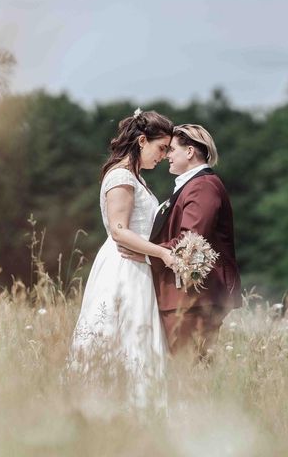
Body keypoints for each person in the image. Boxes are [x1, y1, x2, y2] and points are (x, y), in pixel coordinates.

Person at [68, 109, 176, 405]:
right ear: (142, 140)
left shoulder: (134, 177)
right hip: (123, 267)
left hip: (137, 264)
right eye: (161, 148)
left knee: (137, 339)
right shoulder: (121, 176)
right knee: (121, 337)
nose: (164, 155)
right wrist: (162, 254)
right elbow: (118, 230)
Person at [121, 124, 241, 357]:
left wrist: (148, 253)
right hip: (187, 295)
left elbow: (191, 239)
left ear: (190, 152)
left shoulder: (202, 186)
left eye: (172, 149)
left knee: (189, 369)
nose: (167, 156)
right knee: (189, 368)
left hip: (194, 295)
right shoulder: (193, 185)